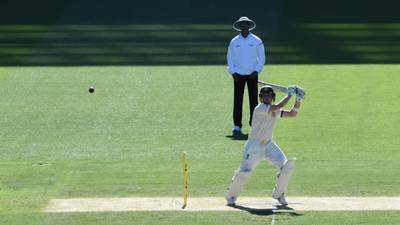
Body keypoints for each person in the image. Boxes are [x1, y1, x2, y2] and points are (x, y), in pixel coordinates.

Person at [225, 85, 305, 206]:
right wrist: (289, 94)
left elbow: (293, 114)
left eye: (269, 95)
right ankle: (231, 196)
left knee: (286, 167)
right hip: (254, 146)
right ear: (261, 98)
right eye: (264, 96)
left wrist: (298, 100)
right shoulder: (260, 108)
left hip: (269, 144)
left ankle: (279, 194)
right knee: (244, 172)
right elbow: (279, 106)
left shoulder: (274, 110)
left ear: (273, 97)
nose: (267, 98)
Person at [227, 16, 265, 134]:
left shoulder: (256, 40)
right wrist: (233, 72)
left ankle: (254, 124)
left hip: (252, 74)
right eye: (241, 24)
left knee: (254, 101)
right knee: (237, 100)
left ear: (249, 26)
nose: (244, 26)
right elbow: (230, 58)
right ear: (239, 26)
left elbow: (262, 58)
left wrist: (256, 71)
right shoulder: (234, 41)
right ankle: (237, 125)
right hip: (238, 75)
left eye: (246, 24)